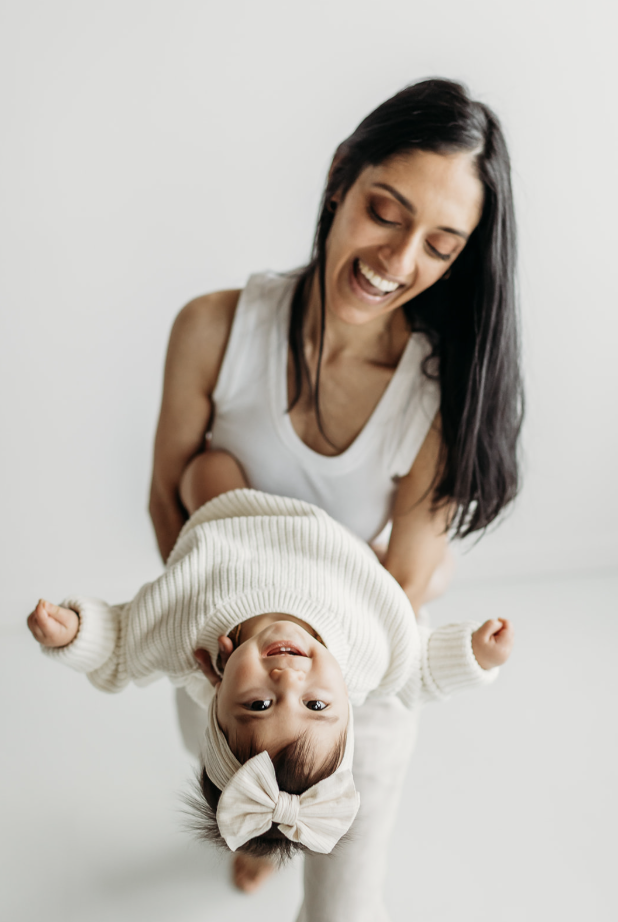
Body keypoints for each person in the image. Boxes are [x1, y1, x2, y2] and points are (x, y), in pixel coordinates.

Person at [147, 77, 522, 913]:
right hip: (217, 659)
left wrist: (309, 703)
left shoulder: (437, 397)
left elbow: (409, 586)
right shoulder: (213, 327)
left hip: (357, 683)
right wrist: (228, 663)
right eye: (386, 211)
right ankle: (263, 837)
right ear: (341, 176)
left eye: (441, 245)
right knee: (238, 795)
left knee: (345, 905)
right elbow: (167, 507)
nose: (399, 261)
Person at [27, 454, 514, 863]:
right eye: (316, 705)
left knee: (205, 470)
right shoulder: (369, 648)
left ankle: (255, 858)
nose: (288, 680)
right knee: (434, 575)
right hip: (346, 552)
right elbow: (416, 669)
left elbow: (118, 645)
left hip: (238, 518)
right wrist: (477, 655)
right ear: (349, 693)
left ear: (215, 684)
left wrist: (71, 631)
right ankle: (260, 856)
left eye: (259, 704)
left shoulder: (185, 622)